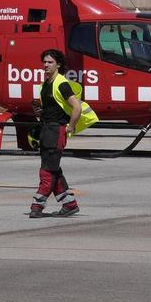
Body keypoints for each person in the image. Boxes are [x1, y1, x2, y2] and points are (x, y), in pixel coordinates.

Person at [29, 49, 96, 218]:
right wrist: (40, 111)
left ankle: (37, 205)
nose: (45, 65)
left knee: (47, 170)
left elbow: (77, 106)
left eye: (50, 62)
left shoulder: (61, 84)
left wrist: (71, 126)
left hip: (56, 131)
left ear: (58, 64)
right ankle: (69, 204)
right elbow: (52, 108)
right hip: (46, 129)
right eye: (44, 62)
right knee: (53, 169)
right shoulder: (45, 84)